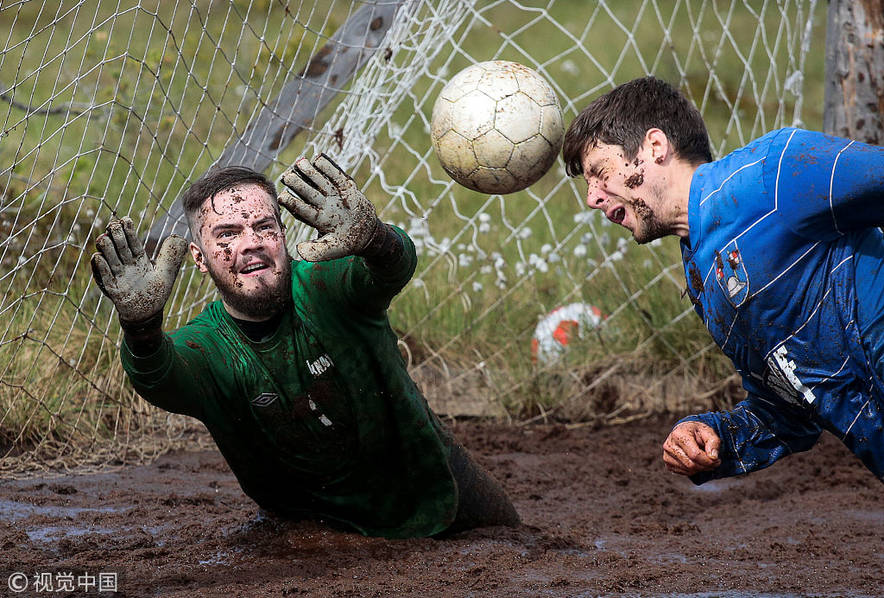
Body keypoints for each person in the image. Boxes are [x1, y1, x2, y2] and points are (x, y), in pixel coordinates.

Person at [90, 155, 519, 537]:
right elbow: (157, 376)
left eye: (264, 227)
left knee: (516, 542)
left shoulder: (326, 284)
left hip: (430, 478)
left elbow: (394, 268)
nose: (251, 242)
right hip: (313, 532)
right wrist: (140, 325)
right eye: (226, 234)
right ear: (199, 259)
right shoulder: (206, 349)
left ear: (280, 234)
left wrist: (375, 239)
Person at [561, 75, 884, 484]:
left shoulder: (775, 172)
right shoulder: (703, 281)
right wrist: (713, 437)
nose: (593, 197)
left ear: (654, 147)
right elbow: (790, 411)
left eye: (599, 172)